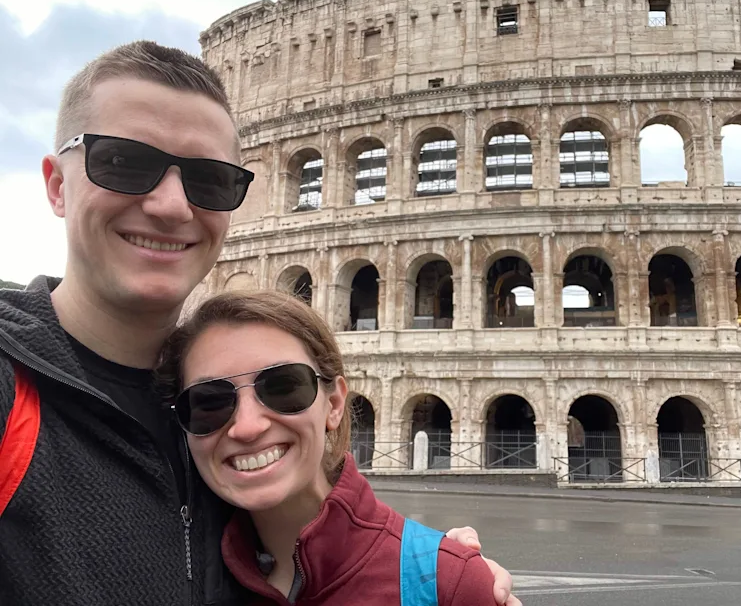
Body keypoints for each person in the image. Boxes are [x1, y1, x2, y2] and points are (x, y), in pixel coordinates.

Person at [0, 41, 518, 606]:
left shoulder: (216, 412)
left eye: (210, 180)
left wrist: (433, 573)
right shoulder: (12, 390)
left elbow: (325, 535)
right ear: (56, 185)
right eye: (125, 163)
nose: (172, 205)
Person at [158, 288, 499, 605]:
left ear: (334, 403)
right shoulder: (173, 577)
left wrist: (458, 575)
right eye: (209, 402)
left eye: (283, 387)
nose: (248, 427)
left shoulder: (449, 583)